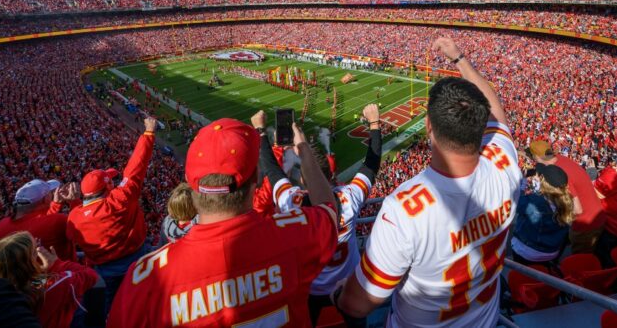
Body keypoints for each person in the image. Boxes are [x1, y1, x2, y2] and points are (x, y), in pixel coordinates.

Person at [337, 37, 523, 327]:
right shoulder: (505, 167)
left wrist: (337, 294)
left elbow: (358, 303)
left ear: (428, 127)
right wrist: (459, 58)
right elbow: (496, 112)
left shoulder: (401, 211)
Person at [107, 118, 339, 327]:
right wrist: (303, 149)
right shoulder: (295, 235)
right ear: (256, 178)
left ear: (189, 181)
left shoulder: (144, 279)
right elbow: (328, 210)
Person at [265, 104, 382, 327]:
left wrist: (262, 134)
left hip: (309, 290)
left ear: (302, 181)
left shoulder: (292, 203)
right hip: (348, 286)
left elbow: (272, 172)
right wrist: (375, 125)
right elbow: (371, 164)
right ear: (333, 175)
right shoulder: (350, 197)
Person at [66, 117, 157, 314]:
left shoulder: (74, 216)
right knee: (146, 304)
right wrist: (148, 134)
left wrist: (73, 204)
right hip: (137, 262)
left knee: (112, 310)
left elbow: (76, 228)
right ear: (107, 186)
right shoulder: (118, 201)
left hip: (104, 272)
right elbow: (135, 170)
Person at [0, 231, 99, 328]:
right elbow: (90, 275)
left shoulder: (0, 295)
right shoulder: (57, 283)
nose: (40, 250)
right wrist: (56, 263)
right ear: (28, 263)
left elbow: (31, 283)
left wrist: (43, 270)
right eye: (36, 250)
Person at [526, 140, 604, 253]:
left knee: (580, 260)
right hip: (595, 215)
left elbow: (577, 209)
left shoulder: (560, 174)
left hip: (585, 224)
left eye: (532, 156)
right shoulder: (559, 159)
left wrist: (555, 215)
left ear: (536, 156)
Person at [0, 179, 78, 262]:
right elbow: (82, 231)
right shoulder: (58, 221)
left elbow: (39, 221)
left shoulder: (1, 225)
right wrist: (75, 201)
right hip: (62, 273)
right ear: (45, 199)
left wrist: (56, 205)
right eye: (50, 193)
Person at [511, 164, 575, 264]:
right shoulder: (568, 202)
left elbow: (516, 202)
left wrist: (522, 181)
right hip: (552, 252)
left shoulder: (534, 202)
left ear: (543, 181)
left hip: (527, 252)